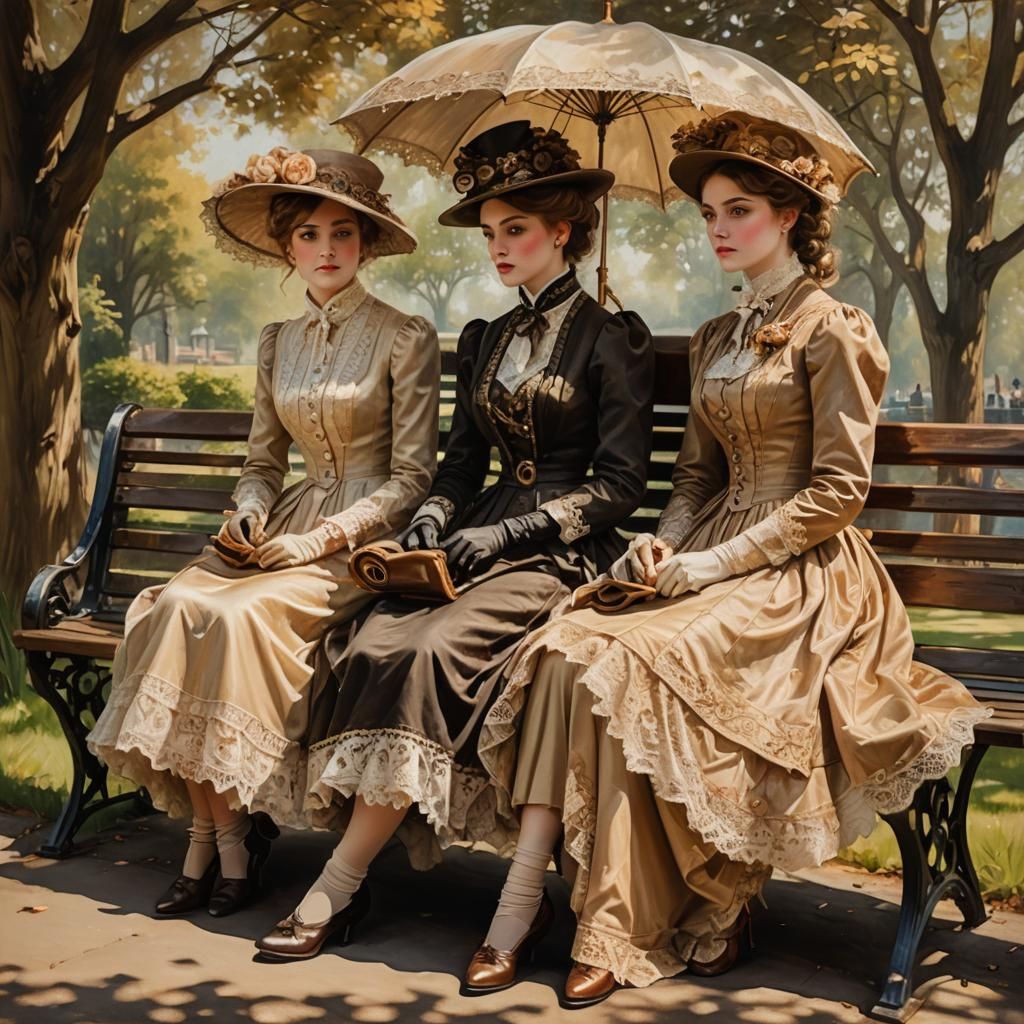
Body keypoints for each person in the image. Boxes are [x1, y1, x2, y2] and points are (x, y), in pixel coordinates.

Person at [471, 113, 991, 1008]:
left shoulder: (833, 329)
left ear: (789, 216)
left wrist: (715, 567)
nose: (717, 227)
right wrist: (666, 541)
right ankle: (527, 899)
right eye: (710, 212)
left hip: (805, 571)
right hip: (710, 548)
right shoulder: (717, 335)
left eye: (738, 210)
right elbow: (695, 477)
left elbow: (838, 490)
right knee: (566, 647)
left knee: (632, 660)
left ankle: (632, 920)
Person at [254, 121, 655, 960]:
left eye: (517, 228)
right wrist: (436, 516)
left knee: (430, 649)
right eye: (491, 231)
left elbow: (621, 486)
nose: (498, 246)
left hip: (558, 549)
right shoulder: (487, 338)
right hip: (471, 540)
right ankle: (355, 864)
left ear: (564, 231)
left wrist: (515, 528)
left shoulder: (611, 338)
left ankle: (339, 883)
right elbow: (463, 462)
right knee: (374, 639)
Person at [88, 147, 439, 919]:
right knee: (173, 607)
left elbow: (413, 478)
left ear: (366, 243)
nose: (326, 250)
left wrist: (317, 542)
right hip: (279, 528)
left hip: (357, 543)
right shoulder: (277, 340)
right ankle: (220, 841)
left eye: (342, 234)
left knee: (233, 616)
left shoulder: (404, 335)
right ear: (288, 247)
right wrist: (250, 511)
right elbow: (262, 463)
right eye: (309, 234)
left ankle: (219, 847)